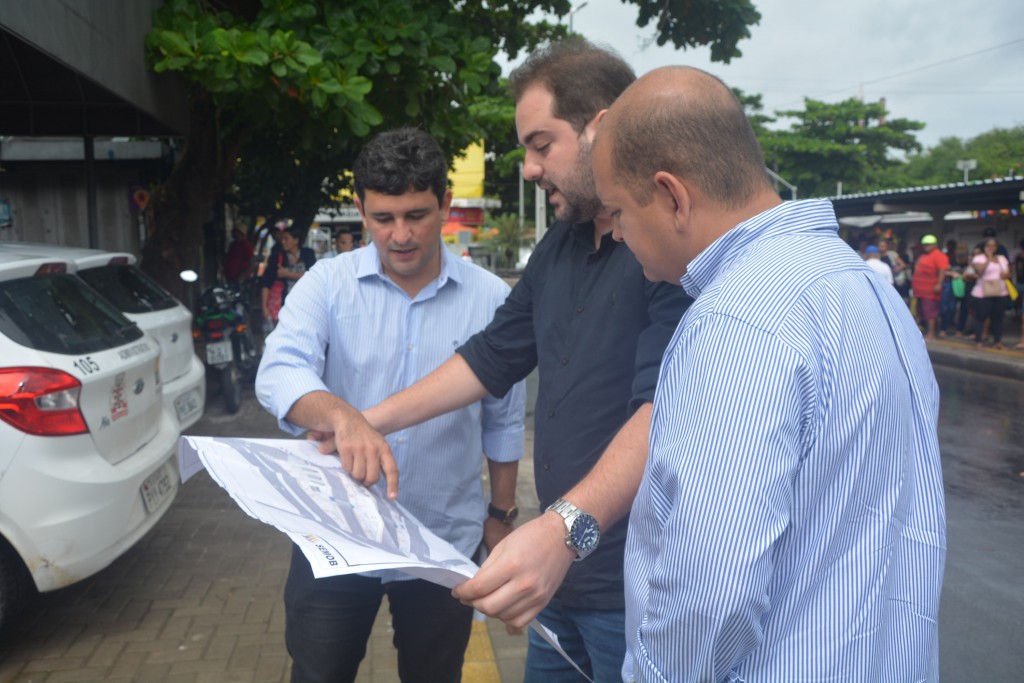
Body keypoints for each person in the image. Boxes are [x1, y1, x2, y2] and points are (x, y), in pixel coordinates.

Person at [329, 39, 691, 682]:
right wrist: (366, 421)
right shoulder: (560, 243)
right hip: (558, 576)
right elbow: (491, 357)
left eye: (541, 144)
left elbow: (665, 407)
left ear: (603, 127)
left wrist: (561, 531)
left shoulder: (663, 251)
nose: (528, 169)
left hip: (635, 581)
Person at [590, 66, 945, 681]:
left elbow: (710, 588)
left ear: (672, 197)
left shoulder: (738, 318)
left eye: (618, 211)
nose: (617, 232)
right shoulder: (867, 288)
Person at [255, 127, 526, 683]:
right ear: (360, 209)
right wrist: (343, 417)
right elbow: (279, 370)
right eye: (383, 218)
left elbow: (502, 421)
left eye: (417, 215)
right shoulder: (326, 285)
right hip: (335, 534)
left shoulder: (492, 299)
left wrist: (500, 517)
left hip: (440, 539)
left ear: (445, 203)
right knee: (318, 673)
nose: (401, 235)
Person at [260, 225, 317, 330]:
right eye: (282, 239)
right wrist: (264, 307)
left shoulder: (308, 254)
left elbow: (313, 276)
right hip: (284, 305)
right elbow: (266, 283)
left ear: (296, 240)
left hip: (307, 305)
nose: (283, 242)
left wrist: (287, 274)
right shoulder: (277, 257)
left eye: (286, 239)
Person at [970, 236, 1011, 350]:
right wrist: (989, 258)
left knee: (998, 318)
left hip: (1000, 292)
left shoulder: (1002, 258)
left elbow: (1008, 273)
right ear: (984, 247)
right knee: (980, 318)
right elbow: (980, 271)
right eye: (989, 245)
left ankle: (997, 342)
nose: (991, 248)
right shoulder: (979, 258)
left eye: (993, 246)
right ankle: (978, 341)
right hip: (983, 293)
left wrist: (1006, 275)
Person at [911, 234, 949, 340]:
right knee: (919, 311)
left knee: (930, 313)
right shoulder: (923, 255)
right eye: (924, 244)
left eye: (929, 244)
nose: (926, 246)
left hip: (930, 291)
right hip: (919, 291)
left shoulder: (939, 256)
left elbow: (942, 270)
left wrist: (939, 284)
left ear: (935, 244)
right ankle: (915, 332)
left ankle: (931, 333)